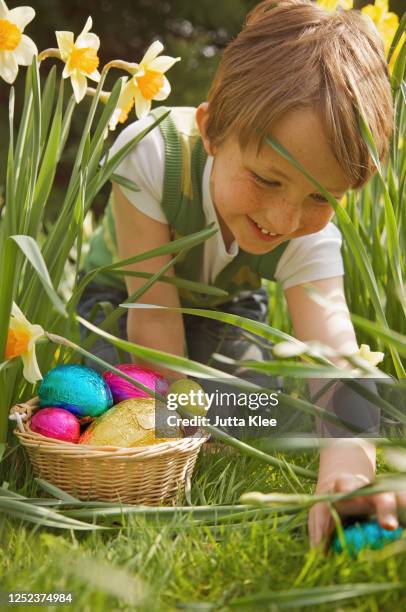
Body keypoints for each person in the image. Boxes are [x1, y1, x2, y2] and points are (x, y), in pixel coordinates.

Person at [77, 0, 399, 547]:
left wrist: (348, 472)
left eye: (322, 196)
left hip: (227, 308)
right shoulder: (153, 153)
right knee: (126, 396)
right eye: (267, 180)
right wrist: (182, 419)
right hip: (128, 306)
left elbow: (332, 347)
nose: (285, 219)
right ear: (211, 131)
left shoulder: (310, 230)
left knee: (266, 409)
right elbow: (154, 318)